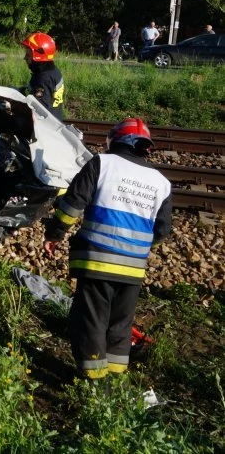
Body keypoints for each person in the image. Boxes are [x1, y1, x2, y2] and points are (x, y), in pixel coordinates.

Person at [43, 118, 172, 379]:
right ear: (145, 147)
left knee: (91, 321)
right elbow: (162, 232)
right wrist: (137, 249)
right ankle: (115, 378)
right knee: (120, 326)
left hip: (97, 261)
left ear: (114, 141)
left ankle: (94, 382)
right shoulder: (161, 182)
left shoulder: (102, 164)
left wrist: (54, 234)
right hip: (134, 268)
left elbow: (72, 206)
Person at [21, 32, 65, 120]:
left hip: (45, 129)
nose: (25, 58)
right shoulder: (49, 71)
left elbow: (40, 110)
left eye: (28, 55)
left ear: (37, 57)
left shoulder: (44, 79)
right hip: (54, 120)